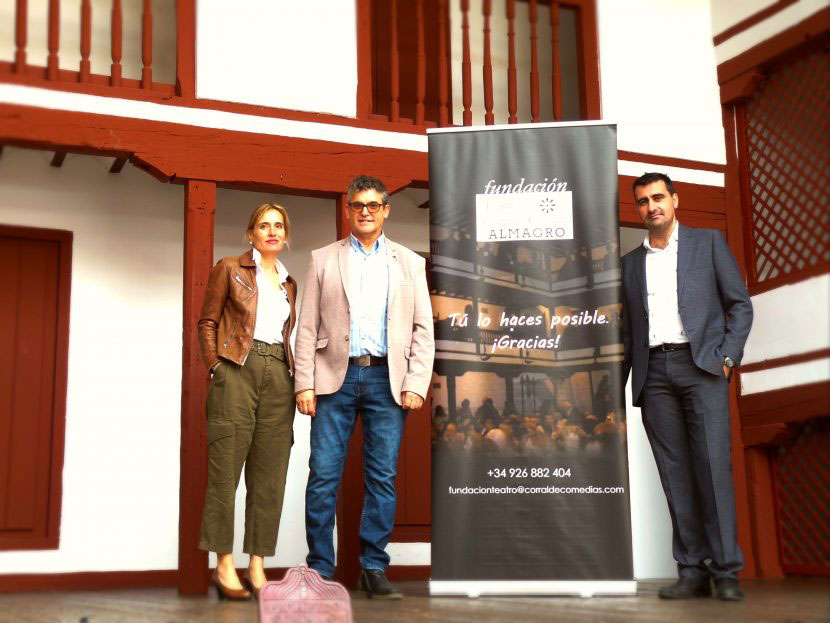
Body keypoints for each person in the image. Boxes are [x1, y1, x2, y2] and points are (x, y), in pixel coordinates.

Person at [294, 175, 434, 599]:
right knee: (322, 476)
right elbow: (307, 326)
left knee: (382, 478)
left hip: (386, 380)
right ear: (348, 210)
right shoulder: (323, 259)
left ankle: (373, 567)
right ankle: (319, 571)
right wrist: (304, 384)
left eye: (374, 205)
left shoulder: (410, 262)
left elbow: (423, 329)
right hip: (332, 380)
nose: (366, 211)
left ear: (386, 210)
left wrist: (416, 382)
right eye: (358, 205)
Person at [621, 172, 753, 601]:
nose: (652, 206)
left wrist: (727, 357)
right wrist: (615, 389)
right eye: (643, 201)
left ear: (675, 200)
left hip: (702, 368)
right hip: (654, 374)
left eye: (658, 197)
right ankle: (692, 569)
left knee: (713, 468)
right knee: (674, 475)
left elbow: (740, 305)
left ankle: (726, 571)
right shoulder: (629, 264)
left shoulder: (708, 243)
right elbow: (625, 331)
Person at [197, 203, 298, 600]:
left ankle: (257, 566)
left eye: (278, 226)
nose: (272, 231)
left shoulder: (290, 283)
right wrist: (216, 367)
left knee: (270, 476)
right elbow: (208, 321)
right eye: (264, 225)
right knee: (225, 471)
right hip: (238, 368)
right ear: (251, 234)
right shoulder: (229, 268)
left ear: (285, 235)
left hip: (280, 376)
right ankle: (224, 564)